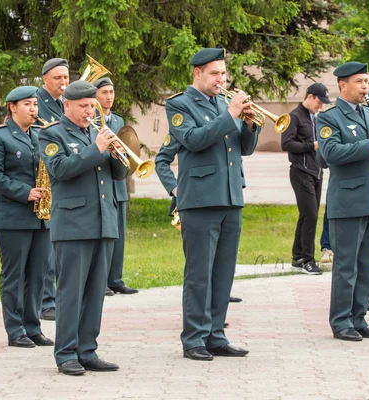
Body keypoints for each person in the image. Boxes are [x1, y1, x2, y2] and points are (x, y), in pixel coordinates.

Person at [157, 48, 259, 361]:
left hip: (230, 197)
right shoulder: (179, 104)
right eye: (215, 73)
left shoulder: (221, 103)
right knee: (199, 274)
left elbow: (245, 149)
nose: (222, 79)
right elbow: (195, 140)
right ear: (198, 73)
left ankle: (216, 335)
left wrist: (251, 124)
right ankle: (193, 339)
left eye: (224, 74)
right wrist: (230, 115)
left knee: (223, 273)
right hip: (200, 200)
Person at [38, 80, 128, 375]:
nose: (90, 111)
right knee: (71, 292)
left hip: (103, 222)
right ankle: (65, 354)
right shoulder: (51, 134)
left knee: (94, 293)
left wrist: (116, 155)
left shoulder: (96, 133)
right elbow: (60, 170)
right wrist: (97, 149)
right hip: (73, 224)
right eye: (84, 106)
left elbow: (117, 175)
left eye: (93, 106)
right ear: (67, 104)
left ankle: (87, 350)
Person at [316, 61, 369, 342]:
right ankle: (340, 322)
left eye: (367, 82)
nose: (366, 87)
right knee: (346, 266)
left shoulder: (368, 113)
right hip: (348, 200)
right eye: (360, 82)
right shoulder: (329, 117)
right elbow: (331, 153)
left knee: (365, 264)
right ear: (342, 85)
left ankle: (358, 318)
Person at [0, 86, 53, 349]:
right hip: (13, 217)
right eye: (28, 104)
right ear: (12, 107)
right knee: (14, 275)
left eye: (35, 104)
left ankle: (33, 327)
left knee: (38, 275)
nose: (34, 109)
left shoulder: (40, 134)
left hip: (41, 218)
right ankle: (15, 330)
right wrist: (26, 192)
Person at [156, 133, 244, 309]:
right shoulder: (187, 126)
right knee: (200, 268)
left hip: (225, 200)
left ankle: (214, 310)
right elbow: (161, 161)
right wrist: (175, 188)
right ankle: (201, 315)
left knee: (221, 266)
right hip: (196, 202)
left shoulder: (227, 118)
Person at [93, 77, 139, 296]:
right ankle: (100, 281)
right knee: (103, 236)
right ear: (95, 96)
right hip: (100, 183)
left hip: (118, 183)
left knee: (119, 235)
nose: (109, 97)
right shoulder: (90, 120)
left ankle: (115, 279)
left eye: (111, 92)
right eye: (104, 92)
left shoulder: (118, 121)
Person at [281, 83, 331, 275]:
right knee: (310, 214)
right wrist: (312, 145)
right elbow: (286, 143)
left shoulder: (314, 118)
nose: (321, 106)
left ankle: (298, 256)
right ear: (310, 97)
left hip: (316, 171)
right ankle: (308, 261)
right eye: (319, 102)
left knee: (307, 214)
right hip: (301, 171)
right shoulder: (295, 116)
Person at [36, 58, 70, 321]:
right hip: (44, 177)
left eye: (66, 78)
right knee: (47, 250)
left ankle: (57, 298)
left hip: (63, 179)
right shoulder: (36, 103)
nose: (63, 83)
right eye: (58, 78)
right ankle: (47, 301)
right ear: (45, 78)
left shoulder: (63, 104)